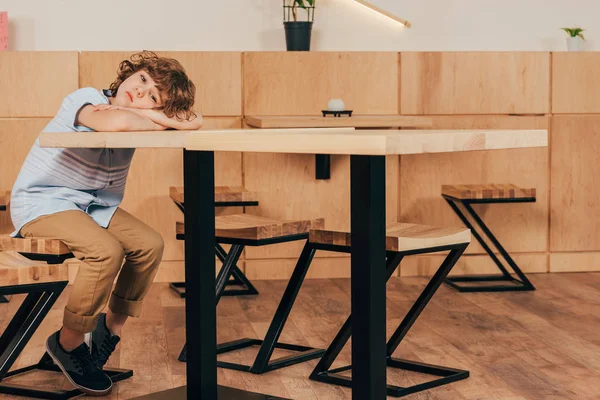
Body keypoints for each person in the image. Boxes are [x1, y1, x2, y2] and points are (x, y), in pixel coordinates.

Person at [10, 51, 203, 396]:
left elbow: (153, 121)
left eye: (153, 96)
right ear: (130, 73)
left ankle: (107, 333)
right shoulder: (85, 98)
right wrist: (166, 119)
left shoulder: (133, 113)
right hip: (43, 202)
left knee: (150, 245)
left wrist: (153, 117)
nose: (140, 91)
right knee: (105, 251)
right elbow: (116, 124)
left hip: (92, 206)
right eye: (142, 79)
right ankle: (67, 344)